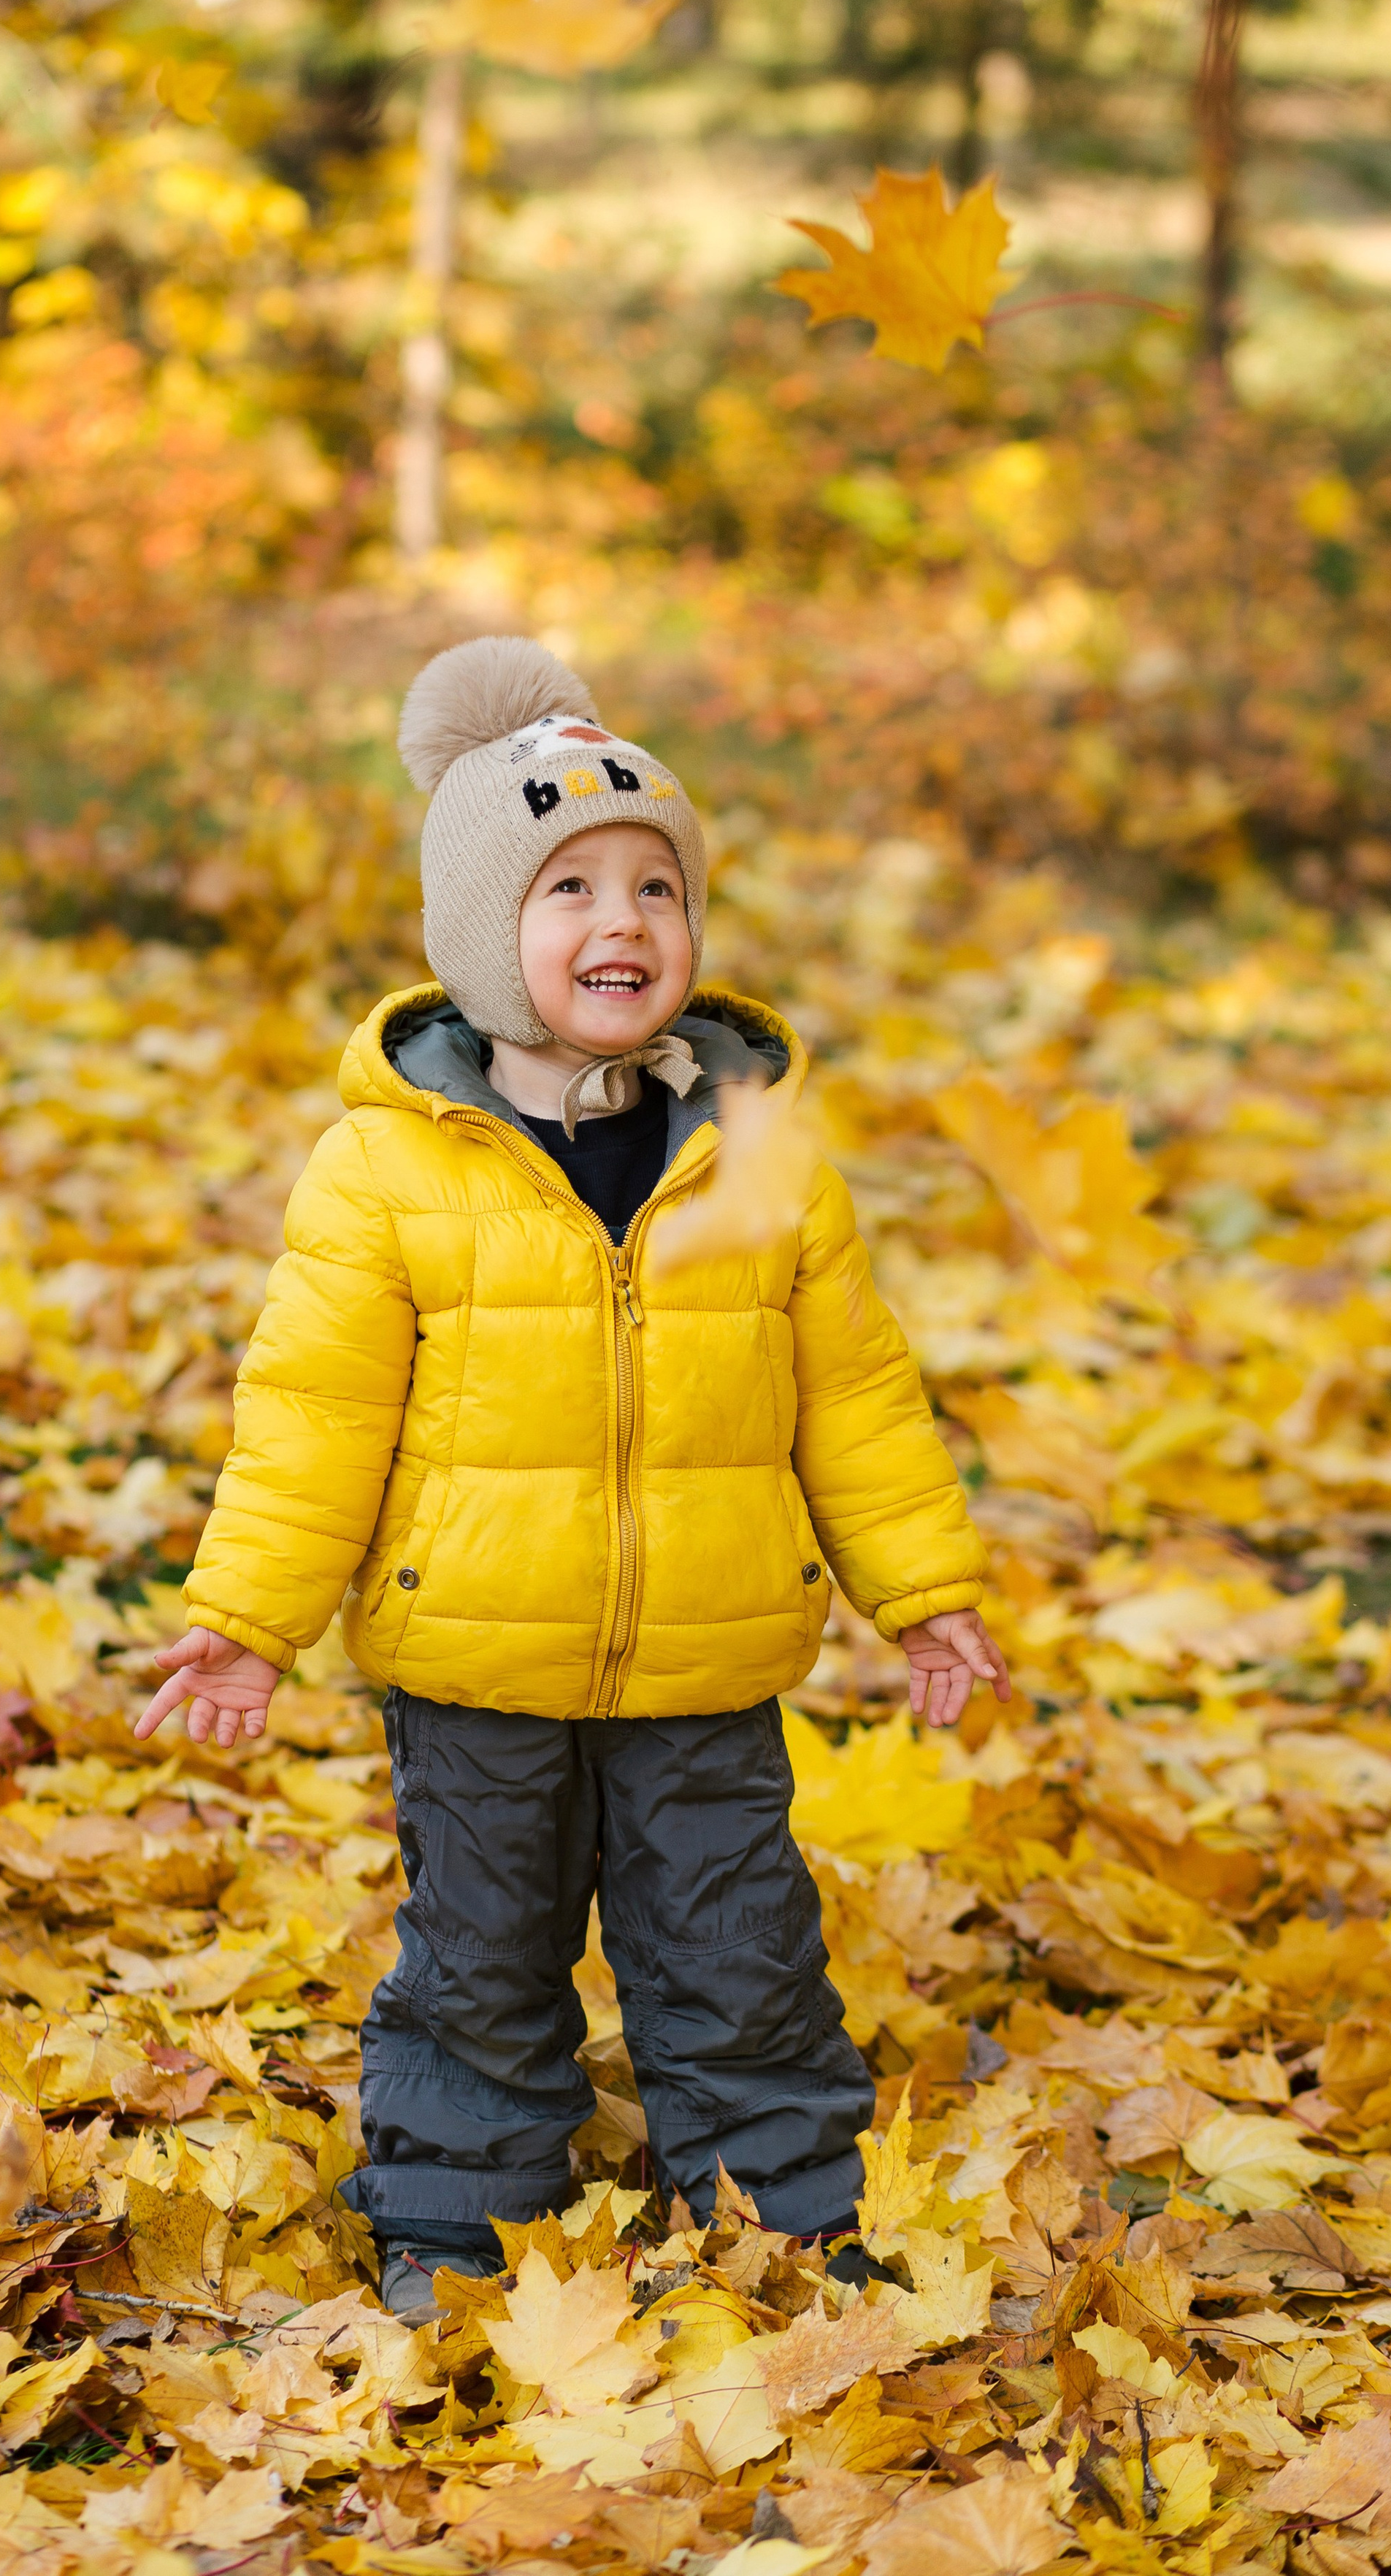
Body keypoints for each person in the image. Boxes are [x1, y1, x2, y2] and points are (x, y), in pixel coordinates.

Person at [134, 636, 1006, 2322]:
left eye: (656, 887)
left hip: (706, 1654)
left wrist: (925, 1593)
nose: (624, 922)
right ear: (481, 932)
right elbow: (309, 1418)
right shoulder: (384, 1172)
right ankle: (460, 2228)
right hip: (473, 1656)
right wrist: (247, 1620)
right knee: (480, 1962)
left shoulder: (755, 1154)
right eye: (571, 889)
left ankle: (785, 2214)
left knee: (739, 1951)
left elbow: (853, 1392)